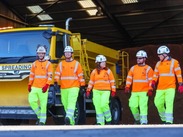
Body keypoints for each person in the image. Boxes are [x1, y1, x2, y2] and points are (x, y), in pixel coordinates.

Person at [151, 45, 183, 124]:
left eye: (159, 55)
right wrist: (153, 81)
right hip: (160, 88)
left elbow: (178, 74)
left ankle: (169, 121)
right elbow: (155, 74)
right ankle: (164, 118)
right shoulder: (158, 64)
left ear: (165, 54)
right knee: (157, 103)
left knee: (169, 103)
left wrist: (181, 84)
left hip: (170, 87)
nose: (158, 57)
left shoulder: (174, 62)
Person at [54, 46, 85, 125]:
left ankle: (67, 117)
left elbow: (80, 76)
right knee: (65, 104)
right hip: (64, 87)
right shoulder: (61, 64)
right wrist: (56, 82)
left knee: (71, 103)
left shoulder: (76, 64)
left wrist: (82, 86)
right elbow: (57, 74)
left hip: (74, 87)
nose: (67, 54)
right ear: (64, 54)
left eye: (69, 52)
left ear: (72, 54)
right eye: (66, 52)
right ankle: (71, 122)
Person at [125, 50, 153, 124]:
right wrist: (127, 86)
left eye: (140, 58)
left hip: (144, 91)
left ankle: (144, 122)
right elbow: (129, 78)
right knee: (132, 105)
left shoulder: (148, 69)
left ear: (144, 59)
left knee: (143, 106)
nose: (138, 60)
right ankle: (137, 119)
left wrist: (150, 89)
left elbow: (151, 81)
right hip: (134, 91)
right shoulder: (133, 68)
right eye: (137, 58)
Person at [86, 55, 116, 125]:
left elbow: (112, 81)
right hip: (96, 91)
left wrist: (113, 90)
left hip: (106, 91)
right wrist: (88, 90)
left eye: (104, 62)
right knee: (97, 106)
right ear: (98, 63)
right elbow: (91, 82)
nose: (104, 63)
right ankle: (100, 122)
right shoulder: (94, 72)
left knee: (104, 104)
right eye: (103, 62)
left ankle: (108, 120)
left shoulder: (108, 71)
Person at [28, 45, 53, 125]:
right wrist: (29, 85)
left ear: (44, 54)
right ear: (37, 54)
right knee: (31, 101)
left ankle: (42, 121)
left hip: (43, 87)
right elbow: (31, 75)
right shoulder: (34, 64)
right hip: (34, 86)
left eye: (42, 53)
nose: (41, 55)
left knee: (43, 104)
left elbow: (50, 76)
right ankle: (39, 116)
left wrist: (47, 85)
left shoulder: (48, 64)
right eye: (39, 53)